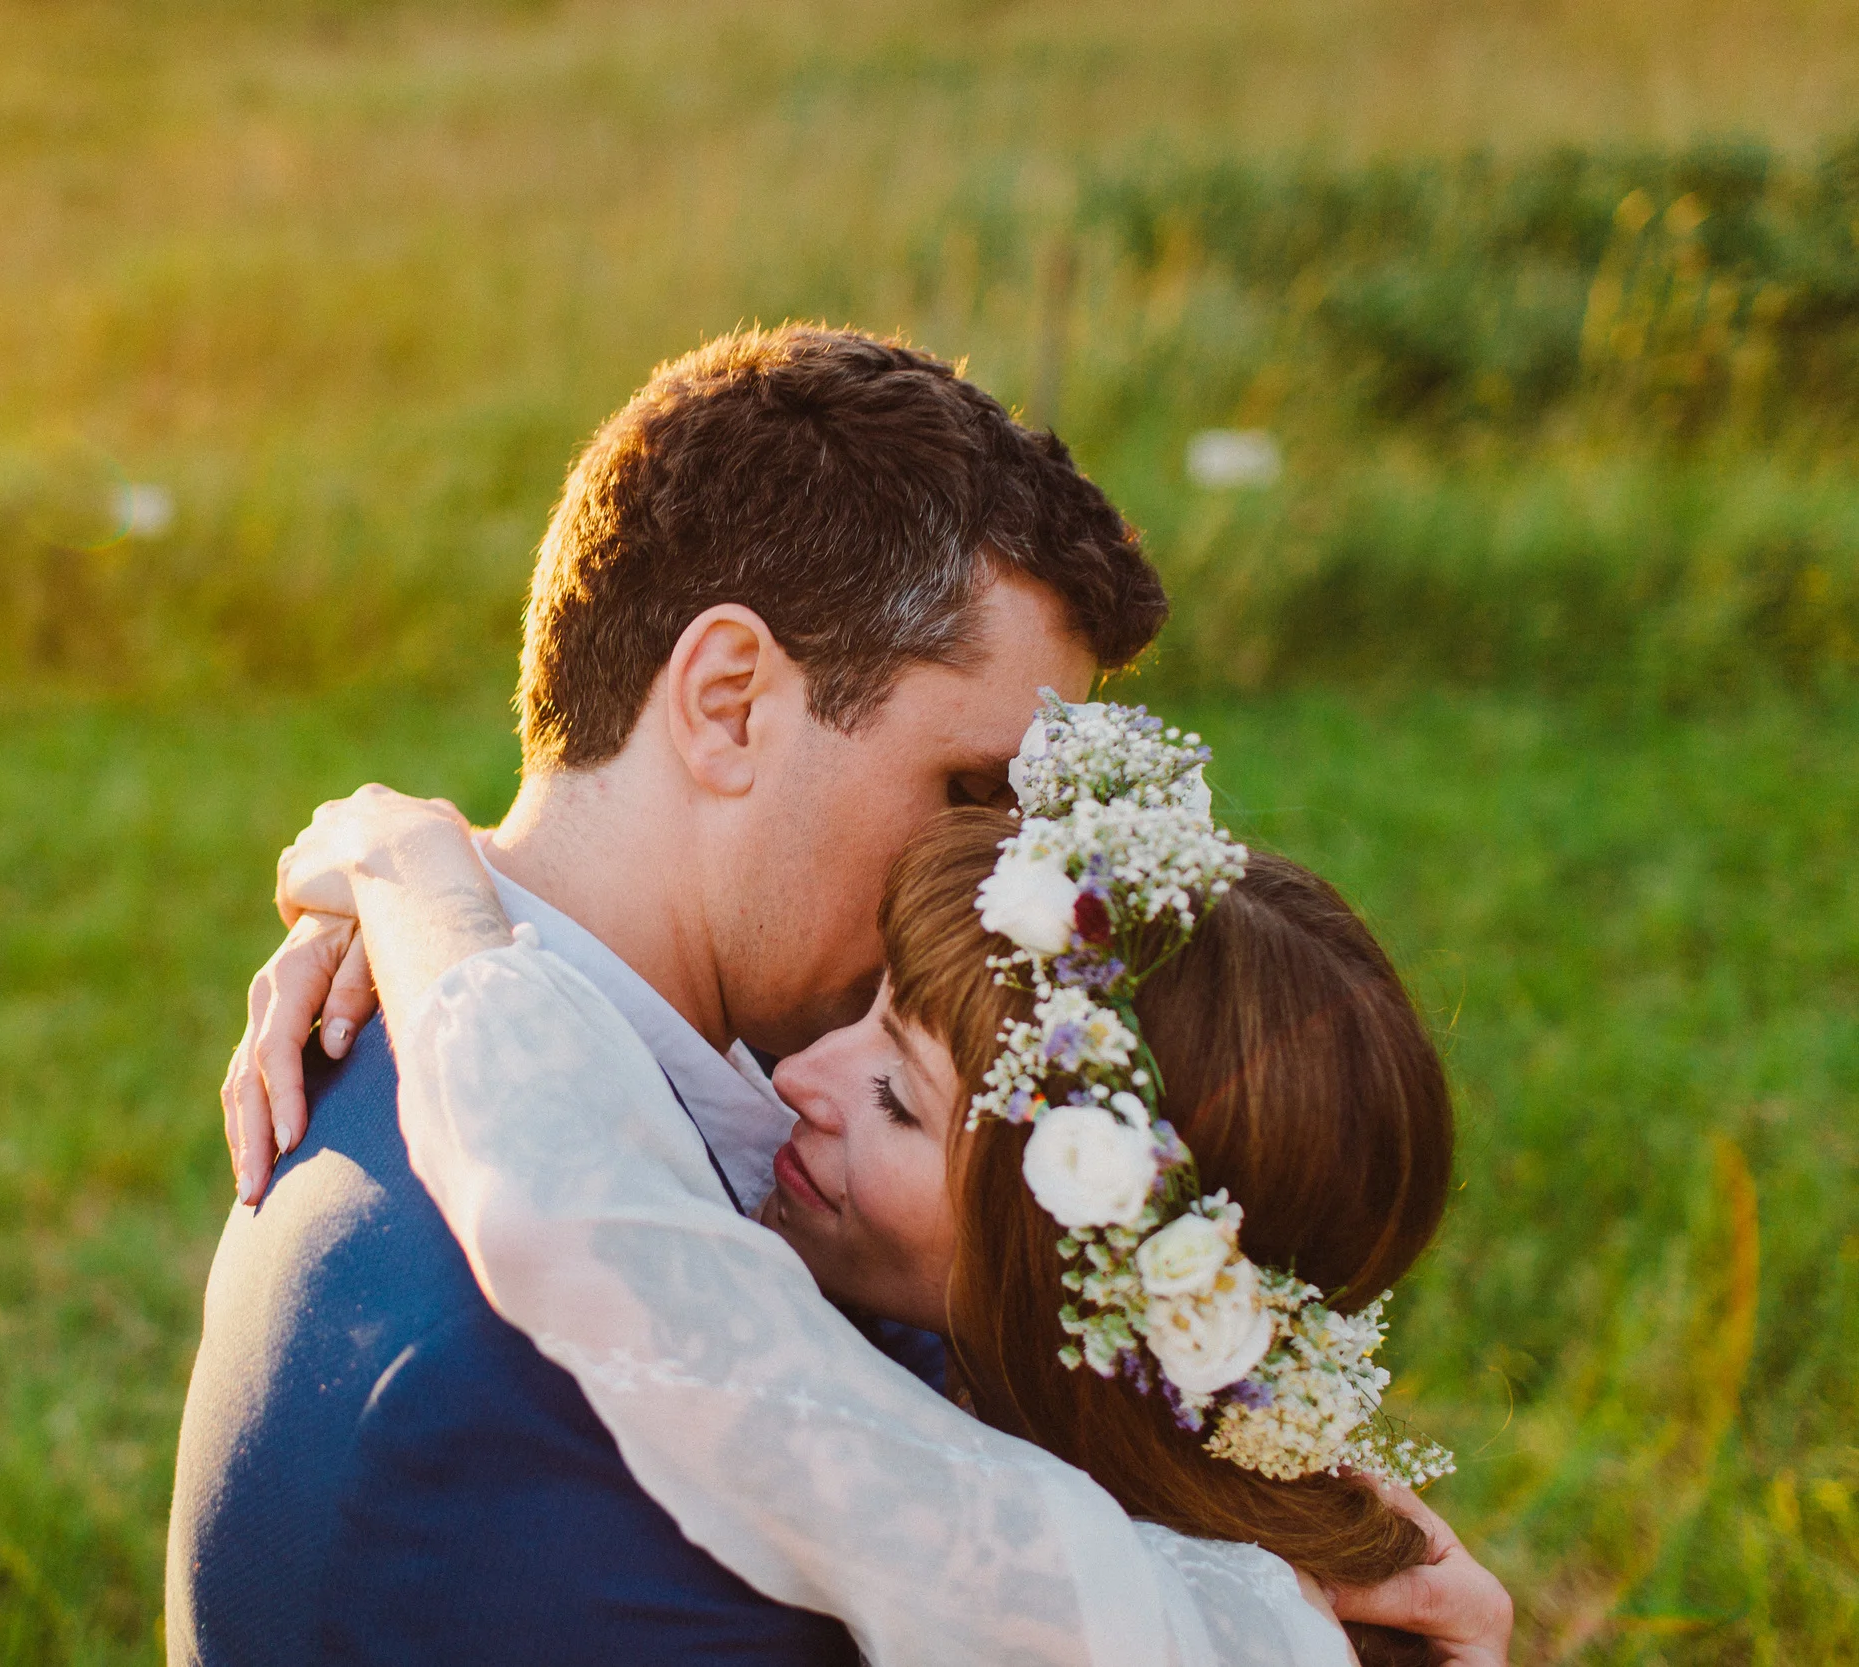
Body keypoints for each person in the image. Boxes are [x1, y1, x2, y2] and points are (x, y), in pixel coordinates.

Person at [171, 326, 1506, 1664]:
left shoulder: (609, 1090)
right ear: (731, 700)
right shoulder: (539, 1398)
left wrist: (425, 879)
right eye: (969, 791)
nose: (995, 893)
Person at [256, 700, 1513, 1666]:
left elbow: (577, 1220)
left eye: (899, 1097)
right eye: (872, 1009)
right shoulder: (1065, 1420)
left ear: (1056, 1266)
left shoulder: (1063, 1576)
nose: (803, 1070)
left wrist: (418, 877)